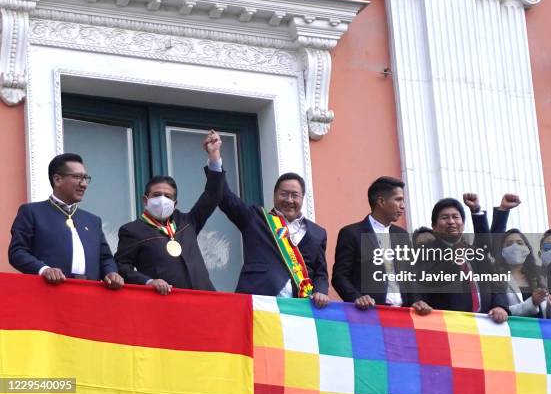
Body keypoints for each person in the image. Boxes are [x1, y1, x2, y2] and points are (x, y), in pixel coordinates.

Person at [115, 131, 224, 295]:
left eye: (168, 196)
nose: (162, 199)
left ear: (175, 203)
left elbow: (212, 195)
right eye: (156, 195)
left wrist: (214, 156)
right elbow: (121, 267)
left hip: (204, 300)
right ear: (145, 200)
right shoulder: (132, 231)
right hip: (165, 304)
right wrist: (148, 281)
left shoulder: (187, 221)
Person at [9, 153, 123, 289]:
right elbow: (17, 252)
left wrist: (111, 273)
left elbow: (105, 258)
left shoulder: (93, 220)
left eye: (86, 178)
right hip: (48, 292)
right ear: (57, 180)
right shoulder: (32, 212)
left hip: (89, 296)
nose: (84, 184)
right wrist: (44, 270)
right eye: (77, 177)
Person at [219, 171, 329, 307]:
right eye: (284, 194)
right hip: (258, 304)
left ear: (302, 198)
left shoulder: (318, 233)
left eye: (295, 195)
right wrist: (214, 160)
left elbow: (320, 273)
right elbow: (226, 198)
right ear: (275, 195)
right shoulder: (255, 218)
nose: (289, 200)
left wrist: (321, 291)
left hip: (299, 310)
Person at [332, 176, 432, 313]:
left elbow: (410, 275)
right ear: (381, 201)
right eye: (398, 199)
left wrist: (416, 301)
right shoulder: (351, 233)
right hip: (368, 314)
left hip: (404, 314)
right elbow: (340, 277)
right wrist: (357, 298)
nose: (403, 205)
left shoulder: (402, 235)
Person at [415, 197, 510, 323]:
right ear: (434, 227)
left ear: (463, 225)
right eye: (444, 218)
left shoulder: (475, 252)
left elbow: (495, 283)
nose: (451, 222)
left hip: (486, 324)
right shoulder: (425, 253)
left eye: (455, 217)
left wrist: (500, 306)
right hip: (449, 325)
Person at [495, 229, 551, 318]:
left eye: (520, 243)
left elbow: (547, 316)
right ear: (502, 251)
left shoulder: (537, 277)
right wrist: (532, 303)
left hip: (538, 330)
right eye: (509, 244)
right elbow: (500, 311)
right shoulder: (496, 278)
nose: (515, 247)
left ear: (527, 249)